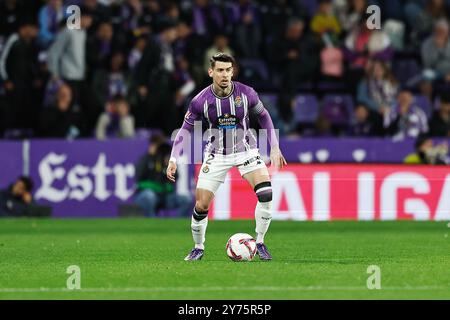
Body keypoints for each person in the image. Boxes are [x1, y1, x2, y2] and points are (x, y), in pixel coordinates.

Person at [167, 53, 287, 261]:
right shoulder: (200, 101)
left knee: (266, 193)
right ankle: (198, 247)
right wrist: (173, 159)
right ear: (211, 72)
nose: (225, 75)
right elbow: (184, 131)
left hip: (246, 151)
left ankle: (259, 242)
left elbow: (264, 116)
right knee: (201, 206)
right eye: (220, 70)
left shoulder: (246, 93)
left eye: (228, 70)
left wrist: (274, 147)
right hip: (216, 155)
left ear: (233, 71)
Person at [134, 133, 192, 217]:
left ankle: (179, 226)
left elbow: (176, 178)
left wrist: (168, 165)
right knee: (149, 196)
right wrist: (150, 156)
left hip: (165, 196)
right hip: (145, 194)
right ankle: (152, 225)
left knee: (186, 200)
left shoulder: (165, 160)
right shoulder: (145, 159)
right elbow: (138, 176)